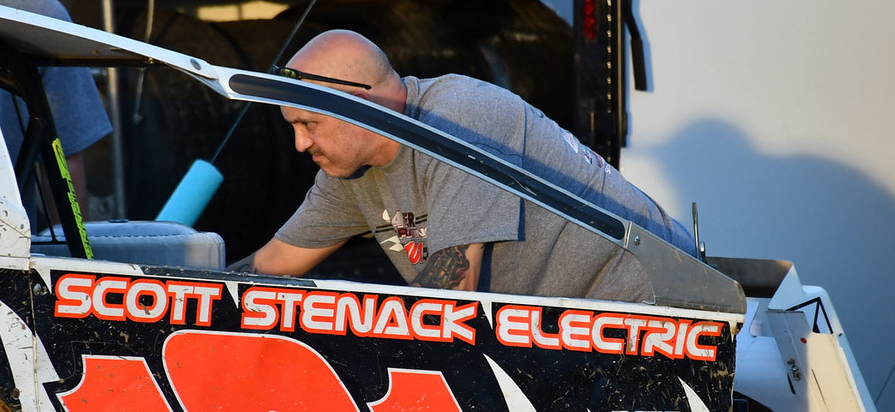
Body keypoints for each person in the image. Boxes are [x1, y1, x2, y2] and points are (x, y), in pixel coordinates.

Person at [233, 30, 693, 302]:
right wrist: (193, 287)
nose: (299, 143)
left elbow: (455, 289)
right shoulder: (348, 170)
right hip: (568, 331)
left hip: (657, 305)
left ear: (360, 105)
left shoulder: (458, 118)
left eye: (309, 124)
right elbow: (272, 266)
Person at [0, 0, 112, 220]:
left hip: (0, 237)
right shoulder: (38, 12)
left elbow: (63, 160)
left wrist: (72, 242)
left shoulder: (38, 13)